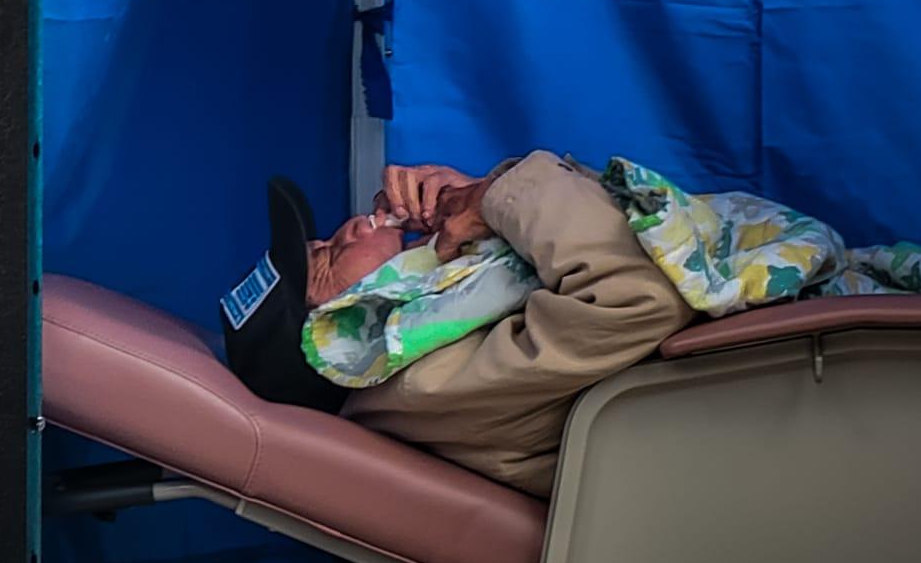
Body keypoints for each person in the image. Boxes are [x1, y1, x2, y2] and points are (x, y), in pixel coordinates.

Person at [223, 151, 693, 497]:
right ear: (338, 337)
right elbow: (639, 298)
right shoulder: (429, 383)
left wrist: (479, 198)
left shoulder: (441, 334)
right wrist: (498, 198)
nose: (344, 230)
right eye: (325, 258)